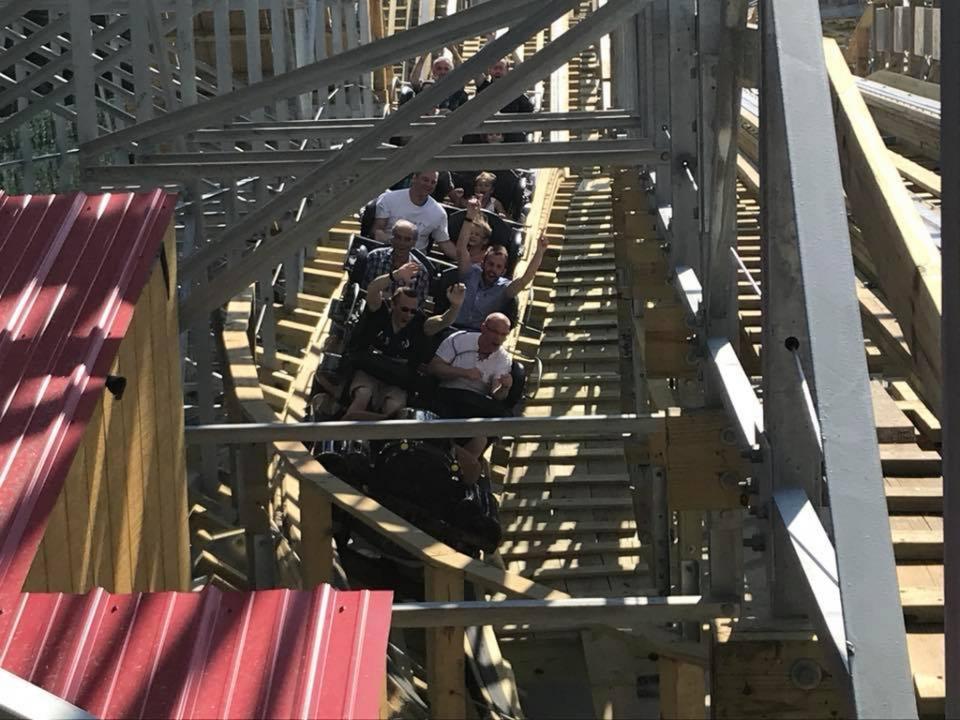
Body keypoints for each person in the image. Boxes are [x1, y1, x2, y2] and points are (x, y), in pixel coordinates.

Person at [345, 262, 465, 420]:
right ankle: (352, 423)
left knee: (393, 407)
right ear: (393, 304)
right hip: (369, 371)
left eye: (413, 311)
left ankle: (379, 425)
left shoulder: (420, 324)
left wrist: (455, 306)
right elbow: (373, 288)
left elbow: (443, 321)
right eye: (404, 309)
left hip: (398, 381)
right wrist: (395, 275)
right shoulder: (380, 312)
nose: (408, 314)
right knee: (363, 394)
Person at [428, 312, 514, 484]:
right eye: (495, 332)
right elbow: (435, 367)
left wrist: (505, 387)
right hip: (449, 394)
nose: (498, 339)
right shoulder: (459, 340)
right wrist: (464, 373)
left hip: (476, 402)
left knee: (483, 437)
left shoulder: (503, 358)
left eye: (503, 335)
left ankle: (455, 475)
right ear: (483, 328)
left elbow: (496, 394)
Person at [455, 200, 549, 330]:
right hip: (453, 326)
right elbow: (461, 249)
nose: (493, 269)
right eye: (490, 264)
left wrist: (539, 252)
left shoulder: (504, 289)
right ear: (483, 263)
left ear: (504, 271)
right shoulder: (470, 273)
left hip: (478, 334)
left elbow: (525, 279)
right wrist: (469, 217)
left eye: (498, 267)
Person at [372, 171, 455, 258]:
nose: (429, 185)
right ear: (414, 178)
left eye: (433, 182)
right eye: (425, 180)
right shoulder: (389, 198)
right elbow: (377, 230)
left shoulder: (439, 213)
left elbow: (445, 243)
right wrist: (397, 247)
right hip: (386, 254)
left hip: (416, 260)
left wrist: (462, 259)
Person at [362, 219, 430, 305]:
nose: (401, 243)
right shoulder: (375, 257)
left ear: (414, 243)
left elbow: (418, 305)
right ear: (392, 238)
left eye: (407, 239)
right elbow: (363, 290)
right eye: (398, 237)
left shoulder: (421, 272)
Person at [474, 58, 535, 142]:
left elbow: (523, 70)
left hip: (511, 132)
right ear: (490, 70)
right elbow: (474, 70)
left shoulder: (515, 88)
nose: (498, 71)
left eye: (501, 68)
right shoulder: (484, 87)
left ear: (507, 70)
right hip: (486, 131)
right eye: (495, 68)